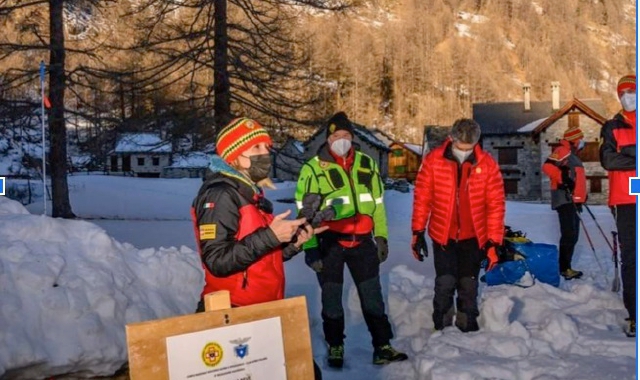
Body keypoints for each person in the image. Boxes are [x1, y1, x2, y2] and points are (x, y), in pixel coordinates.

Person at [191, 117, 326, 379]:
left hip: (263, 310)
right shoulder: (220, 194)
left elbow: (258, 257)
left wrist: (292, 242)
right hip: (232, 314)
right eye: (256, 149)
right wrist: (270, 236)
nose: (266, 154)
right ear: (233, 155)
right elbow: (217, 261)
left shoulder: (250, 194)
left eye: (266, 147)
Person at [295, 111, 408, 368]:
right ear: (328, 139)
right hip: (330, 243)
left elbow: (378, 205)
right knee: (332, 299)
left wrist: (381, 236)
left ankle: (382, 346)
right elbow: (304, 213)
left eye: (346, 135)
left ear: (353, 137)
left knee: (373, 297)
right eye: (336, 135)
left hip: (363, 243)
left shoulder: (367, 164)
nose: (341, 139)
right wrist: (310, 249)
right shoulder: (312, 169)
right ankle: (336, 345)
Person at [411, 118, 505, 332]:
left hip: (473, 236)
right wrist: (417, 231)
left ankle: (467, 321)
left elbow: (495, 206)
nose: (464, 151)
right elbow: (422, 198)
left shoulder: (487, 164)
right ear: (451, 139)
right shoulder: (434, 160)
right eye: (460, 146)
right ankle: (441, 322)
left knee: (468, 283)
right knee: (445, 281)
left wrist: (493, 242)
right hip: (443, 234)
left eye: (469, 148)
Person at [600, 74, 637, 338]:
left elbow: (619, 157)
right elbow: (609, 160)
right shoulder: (612, 126)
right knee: (631, 259)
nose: (628, 95)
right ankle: (634, 314)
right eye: (622, 92)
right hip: (625, 201)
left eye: (632, 90)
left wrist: (629, 152)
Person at [542, 126, 587, 280]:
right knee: (569, 234)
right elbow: (547, 166)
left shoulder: (574, 155)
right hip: (564, 198)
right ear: (574, 139)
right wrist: (562, 178)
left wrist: (581, 198)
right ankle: (564, 268)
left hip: (574, 200)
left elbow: (577, 180)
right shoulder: (562, 150)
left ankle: (567, 266)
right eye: (580, 139)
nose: (582, 141)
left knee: (573, 234)